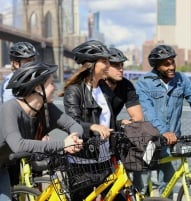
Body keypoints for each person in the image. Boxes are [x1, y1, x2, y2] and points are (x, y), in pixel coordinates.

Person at [135, 44, 191, 197]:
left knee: (168, 182)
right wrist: (163, 131)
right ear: (157, 66)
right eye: (167, 64)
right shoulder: (144, 83)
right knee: (141, 183)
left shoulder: (181, 80)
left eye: (173, 62)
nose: (172, 66)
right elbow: (148, 113)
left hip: (170, 141)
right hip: (148, 142)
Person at [0, 61, 83, 200]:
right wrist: (63, 145)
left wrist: (74, 138)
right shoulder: (10, 108)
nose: (55, 88)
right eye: (51, 84)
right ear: (38, 88)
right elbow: (18, 145)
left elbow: (74, 125)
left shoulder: (46, 109)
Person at [59, 40, 114, 200]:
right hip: (81, 163)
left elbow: (108, 121)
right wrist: (93, 127)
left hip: (104, 160)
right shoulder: (74, 90)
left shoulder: (105, 89)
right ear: (91, 65)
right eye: (104, 61)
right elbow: (72, 122)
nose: (108, 65)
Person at [99, 47, 144, 128]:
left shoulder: (126, 85)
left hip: (112, 130)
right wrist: (118, 123)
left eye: (122, 65)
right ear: (105, 66)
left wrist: (127, 124)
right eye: (116, 65)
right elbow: (87, 120)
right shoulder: (95, 85)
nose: (121, 69)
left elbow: (138, 119)